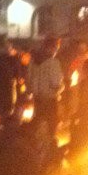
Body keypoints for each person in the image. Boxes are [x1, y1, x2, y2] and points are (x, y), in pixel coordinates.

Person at [27, 37, 65, 167]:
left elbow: (28, 81)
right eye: (56, 48)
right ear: (52, 47)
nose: (57, 51)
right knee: (51, 129)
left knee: (38, 128)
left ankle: (36, 157)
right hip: (50, 100)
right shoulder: (52, 63)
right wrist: (62, 87)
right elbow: (56, 84)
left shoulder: (33, 61)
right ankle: (49, 159)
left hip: (37, 100)